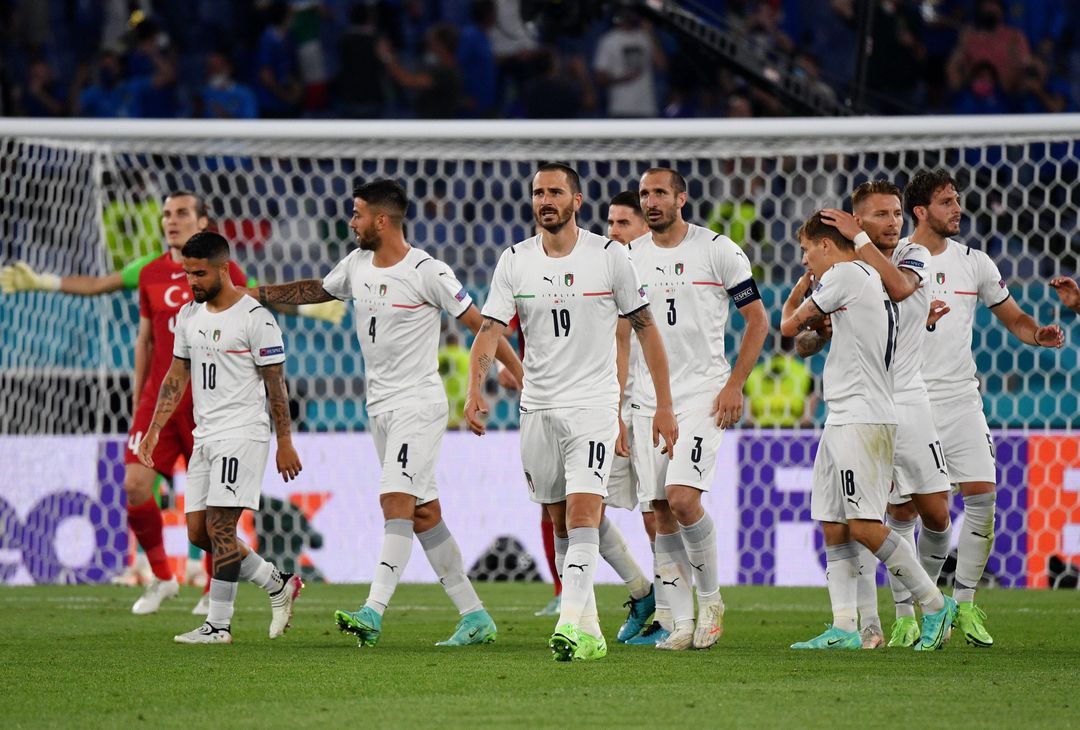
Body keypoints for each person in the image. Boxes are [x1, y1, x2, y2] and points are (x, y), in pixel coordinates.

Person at [0, 190, 342, 615]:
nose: (171, 221)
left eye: (181, 213)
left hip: (213, 404)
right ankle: (163, 576)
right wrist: (44, 282)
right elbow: (116, 306)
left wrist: (311, 311)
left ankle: (213, 597)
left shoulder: (223, 268)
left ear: (202, 222)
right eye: (166, 214)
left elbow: (254, 299)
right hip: (163, 398)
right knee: (136, 485)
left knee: (211, 515)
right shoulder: (150, 271)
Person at [251, 179, 524, 647]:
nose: (350, 222)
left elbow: (485, 325)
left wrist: (517, 373)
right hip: (378, 406)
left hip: (418, 404)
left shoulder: (427, 271)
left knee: (394, 502)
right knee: (423, 514)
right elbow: (319, 290)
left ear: (381, 220)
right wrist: (256, 292)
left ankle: (372, 612)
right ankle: (475, 616)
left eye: (356, 214)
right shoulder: (356, 263)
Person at [465, 163, 677, 661]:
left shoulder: (609, 258)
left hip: (593, 406)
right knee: (559, 520)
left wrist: (664, 405)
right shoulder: (514, 260)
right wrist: (474, 392)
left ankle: (569, 624)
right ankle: (591, 628)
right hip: (537, 406)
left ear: (577, 201)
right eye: (539, 192)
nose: (546, 200)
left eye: (556, 192)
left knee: (585, 514)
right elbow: (490, 331)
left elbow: (646, 329)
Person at [781, 211, 956, 652]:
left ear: (825, 245)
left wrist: (800, 292)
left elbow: (787, 327)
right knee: (834, 522)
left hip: (863, 415)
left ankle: (935, 605)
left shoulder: (844, 273)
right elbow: (807, 340)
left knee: (862, 524)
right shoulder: (862, 279)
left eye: (806, 251)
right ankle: (844, 626)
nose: (806, 261)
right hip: (842, 415)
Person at [906, 170, 1064, 646]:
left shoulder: (975, 262)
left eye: (958, 200)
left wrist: (1037, 334)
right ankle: (914, 611)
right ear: (921, 211)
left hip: (960, 398)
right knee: (915, 512)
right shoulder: (896, 261)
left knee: (984, 497)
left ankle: (966, 604)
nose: (958, 209)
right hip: (911, 398)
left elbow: (1012, 317)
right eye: (947, 201)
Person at [625, 169, 768, 651]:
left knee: (683, 497)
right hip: (647, 398)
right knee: (660, 511)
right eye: (644, 194)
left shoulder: (718, 250)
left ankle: (711, 602)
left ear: (681, 198)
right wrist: (619, 402)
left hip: (704, 395)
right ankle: (680, 623)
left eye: (660, 193)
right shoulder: (629, 257)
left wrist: (734, 384)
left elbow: (757, 321)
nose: (651, 201)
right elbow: (620, 334)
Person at [137, 231, 303, 644]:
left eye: (199, 273)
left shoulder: (255, 318)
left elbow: (275, 385)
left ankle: (218, 625)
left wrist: (285, 441)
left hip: (243, 433)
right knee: (198, 533)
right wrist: (153, 428)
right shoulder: (190, 317)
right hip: (205, 434)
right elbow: (176, 375)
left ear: (223, 269)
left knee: (221, 527)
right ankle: (276, 582)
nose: (191, 282)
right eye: (187, 273)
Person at [602, 190, 660, 646]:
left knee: (654, 512)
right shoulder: (601, 268)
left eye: (624, 223)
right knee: (570, 508)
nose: (614, 232)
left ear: (644, 229)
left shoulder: (651, 275)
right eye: (610, 223)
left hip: (640, 403)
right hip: (606, 402)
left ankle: (668, 609)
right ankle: (643, 592)